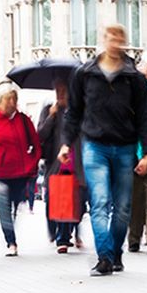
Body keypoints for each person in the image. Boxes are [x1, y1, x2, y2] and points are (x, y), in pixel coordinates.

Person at [60, 24, 147, 276]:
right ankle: (104, 257)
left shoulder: (133, 76)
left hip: (125, 147)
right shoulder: (85, 73)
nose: (115, 41)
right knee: (100, 202)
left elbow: (146, 115)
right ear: (103, 39)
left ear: (124, 41)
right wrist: (66, 143)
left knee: (123, 208)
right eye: (110, 37)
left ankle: (115, 252)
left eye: (119, 37)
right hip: (94, 146)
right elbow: (74, 112)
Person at [0, 83, 41, 256]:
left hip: (21, 172)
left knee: (16, 202)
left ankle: (10, 227)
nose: (12, 102)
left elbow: (35, 144)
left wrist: (32, 162)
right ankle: (11, 242)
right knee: (3, 206)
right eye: (8, 99)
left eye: (14, 98)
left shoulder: (23, 120)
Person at [38, 77, 85, 254]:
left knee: (78, 201)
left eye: (64, 91)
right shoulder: (48, 110)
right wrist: (52, 115)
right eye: (58, 91)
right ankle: (61, 237)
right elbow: (41, 134)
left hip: (77, 163)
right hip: (56, 165)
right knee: (54, 200)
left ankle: (67, 233)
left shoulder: (78, 110)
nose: (61, 95)